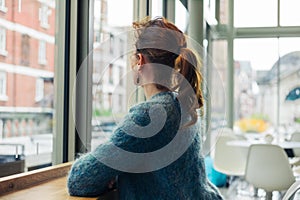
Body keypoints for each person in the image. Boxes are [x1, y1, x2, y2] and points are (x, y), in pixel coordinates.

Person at [67, 17, 223, 200]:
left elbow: (79, 180)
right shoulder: (185, 106)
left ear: (140, 61)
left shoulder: (150, 115)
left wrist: (110, 172)